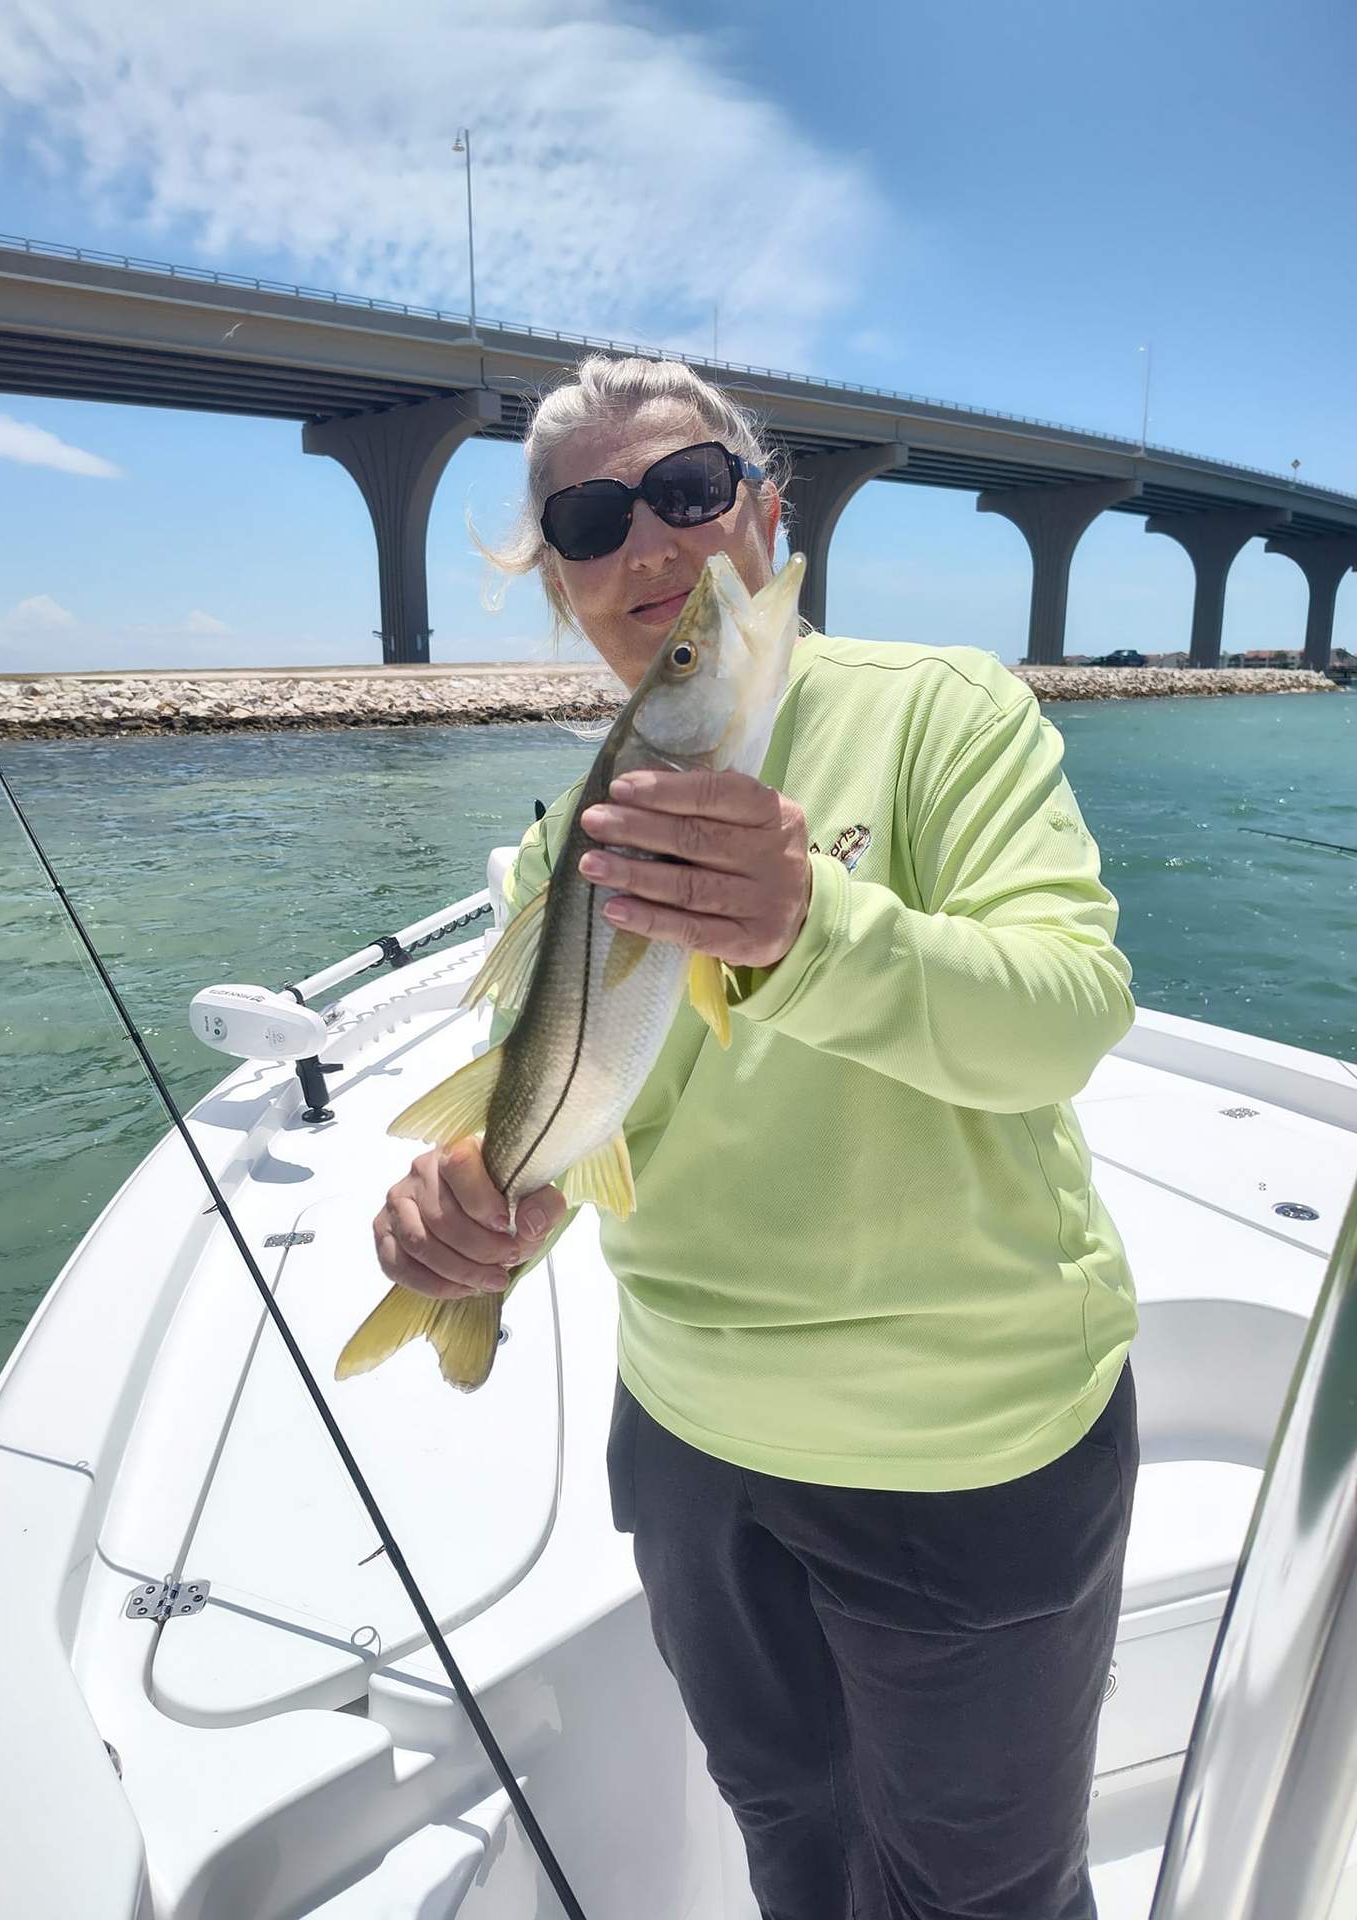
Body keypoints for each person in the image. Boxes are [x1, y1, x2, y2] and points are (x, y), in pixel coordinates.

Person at [370, 354, 1139, 1920]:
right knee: (786, 1824)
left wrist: (809, 927)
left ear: (767, 514)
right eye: (591, 520)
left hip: (961, 1448)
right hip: (693, 1448)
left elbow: (1069, 1012)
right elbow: (596, 1121)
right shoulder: (557, 857)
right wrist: (483, 1213)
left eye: (689, 492)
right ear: (563, 584)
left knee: (983, 1892)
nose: (648, 546)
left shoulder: (943, 714)